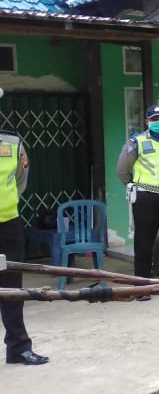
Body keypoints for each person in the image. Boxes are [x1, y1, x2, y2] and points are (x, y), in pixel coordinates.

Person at [116, 104, 159, 301]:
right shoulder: (135, 142)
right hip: (146, 197)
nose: (158, 123)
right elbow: (122, 170)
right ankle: (142, 286)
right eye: (154, 120)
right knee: (144, 242)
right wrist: (133, 186)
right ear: (147, 122)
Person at [0, 87, 49, 365]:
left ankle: (18, 347)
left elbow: (21, 178)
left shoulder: (11, 142)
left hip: (8, 224)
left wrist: (8, 202)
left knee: (12, 289)